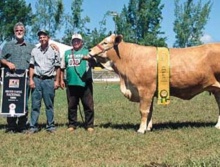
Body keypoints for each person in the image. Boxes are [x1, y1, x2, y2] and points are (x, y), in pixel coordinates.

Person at [0, 22, 35, 133]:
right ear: (14, 32)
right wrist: (7, 63)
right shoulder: (8, 45)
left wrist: (53, 46)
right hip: (11, 80)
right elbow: (1, 58)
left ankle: (22, 125)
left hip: (25, 79)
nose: (19, 32)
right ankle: (11, 126)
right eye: (17, 30)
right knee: (10, 100)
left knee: (24, 102)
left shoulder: (31, 47)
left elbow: (38, 57)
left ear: (24, 32)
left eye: (21, 30)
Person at [60, 33, 96, 132]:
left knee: (88, 105)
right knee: (72, 105)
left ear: (81, 42)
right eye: (74, 41)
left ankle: (89, 125)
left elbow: (95, 63)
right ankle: (72, 124)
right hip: (71, 83)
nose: (75, 42)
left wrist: (90, 59)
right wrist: (61, 80)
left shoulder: (87, 51)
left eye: (77, 41)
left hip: (85, 83)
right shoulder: (67, 53)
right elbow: (62, 67)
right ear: (71, 42)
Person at [29, 30, 60, 133]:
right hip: (37, 79)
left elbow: (58, 67)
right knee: (35, 105)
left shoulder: (54, 51)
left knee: (49, 104)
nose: (42, 39)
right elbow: (32, 66)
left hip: (49, 81)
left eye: (44, 37)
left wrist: (57, 81)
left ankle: (50, 126)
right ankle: (33, 126)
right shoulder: (34, 51)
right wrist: (31, 80)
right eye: (40, 37)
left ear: (48, 38)